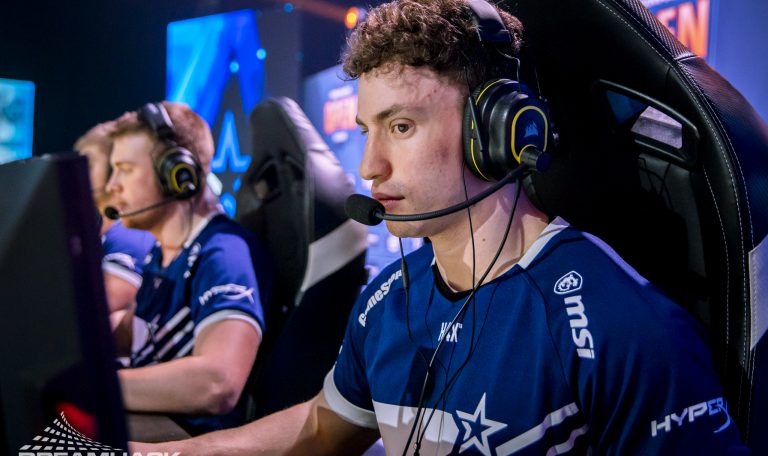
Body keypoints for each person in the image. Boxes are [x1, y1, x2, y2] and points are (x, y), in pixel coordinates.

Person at [134, 0, 749, 453]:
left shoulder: (622, 325)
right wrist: (165, 455)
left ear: (501, 133)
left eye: (401, 127)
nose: (370, 166)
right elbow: (323, 427)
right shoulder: (386, 302)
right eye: (368, 130)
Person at [107, 101, 270, 435]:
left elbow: (218, 382)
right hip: (156, 425)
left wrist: (95, 386)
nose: (112, 185)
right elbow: (141, 329)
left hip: (189, 438)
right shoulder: (164, 252)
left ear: (178, 175)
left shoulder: (222, 253)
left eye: (125, 169)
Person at [74, 121, 155, 329]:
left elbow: (92, 307)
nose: (78, 173)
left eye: (88, 165)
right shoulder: (99, 229)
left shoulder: (131, 232)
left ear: (114, 169)